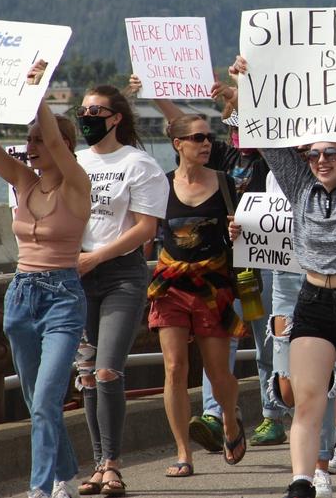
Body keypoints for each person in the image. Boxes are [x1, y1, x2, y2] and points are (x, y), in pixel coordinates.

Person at [230, 60, 336, 498]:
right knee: (306, 400)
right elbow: (267, 137)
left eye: (330, 153)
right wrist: (247, 83)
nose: (321, 161)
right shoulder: (298, 184)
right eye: (313, 154)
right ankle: (301, 482)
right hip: (313, 302)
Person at [0, 54, 91, 498]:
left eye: (38, 140)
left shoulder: (77, 184)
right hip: (21, 296)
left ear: (62, 147)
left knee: (48, 398)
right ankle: (66, 474)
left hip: (63, 297)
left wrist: (37, 94)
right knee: (38, 404)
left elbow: (51, 130)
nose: (31, 146)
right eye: (27, 140)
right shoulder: (22, 181)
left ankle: (41, 488)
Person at [124, 74, 284, 451]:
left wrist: (241, 95)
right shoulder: (225, 158)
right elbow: (181, 125)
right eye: (227, 127)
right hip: (221, 268)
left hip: (260, 259)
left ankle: (271, 412)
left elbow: (269, 130)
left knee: (267, 342)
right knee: (213, 355)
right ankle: (216, 417)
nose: (210, 141)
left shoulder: (270, 156)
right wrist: (154, 87)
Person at [73, 84, 169, 497]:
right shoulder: (73, 162)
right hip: (76, 276)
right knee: (87, 375)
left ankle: (113, 464)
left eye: (96, 111)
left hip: (121, 275)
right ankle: (97, 465)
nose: (87, 117)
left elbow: (146, 230)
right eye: (83, 110)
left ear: (116, 118)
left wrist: (95, 257)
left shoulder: (139, 163)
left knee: (109, 368)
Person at [147, 114, 247, 476]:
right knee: (174, 368)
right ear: (179, 144)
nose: (206, 143)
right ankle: (182, 453)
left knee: (219, 373)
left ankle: (231, 423)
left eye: (209, 137)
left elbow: (242, 233)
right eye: (197, 137)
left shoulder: (224, 183)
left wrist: (238, 229)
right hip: (171, 283)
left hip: (213, 285)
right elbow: (147, 228)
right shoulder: (160, 185)